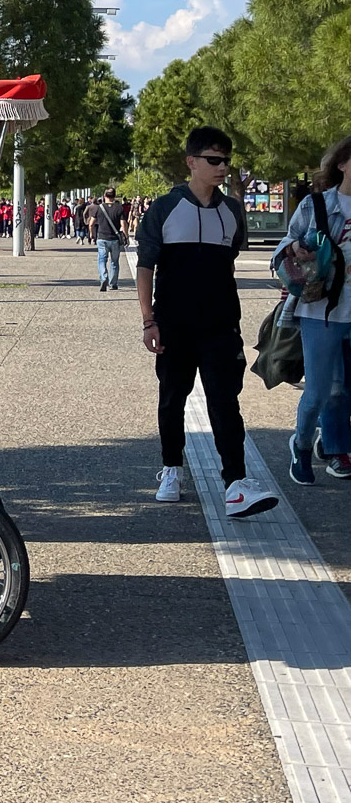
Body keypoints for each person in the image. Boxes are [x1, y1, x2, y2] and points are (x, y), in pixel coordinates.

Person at [135, 126, 278, 518]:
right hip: (174, 324)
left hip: (220, 326)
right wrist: (149, 321)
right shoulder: (164, 208)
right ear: (191, 162)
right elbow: (145, 266)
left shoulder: (232, 210)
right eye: (214, 160)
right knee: (172, 398)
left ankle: (236, 483)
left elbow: (227, 260)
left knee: (225, 401)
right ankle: (170, 469)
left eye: (226, 161)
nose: (221, 167)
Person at [276, 134, 351, 484]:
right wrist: (294, 247)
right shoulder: (317, 205)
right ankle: (302, 444)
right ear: (342, 163)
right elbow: (282, 249)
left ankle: (336, 447)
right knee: (321, 391)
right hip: (322, 311)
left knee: (342, 389)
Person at [90, 187, 128, 292]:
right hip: (115, 239)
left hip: (102, 238)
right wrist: (126, 236)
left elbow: (91, 223)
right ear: (114, 196)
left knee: (102, 260)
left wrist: (92, 234)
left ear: (104, 196)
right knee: (114, 262)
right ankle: (113, 283)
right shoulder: (119, 208)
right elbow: (123, 224)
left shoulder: (99, 208)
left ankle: (104, 277)